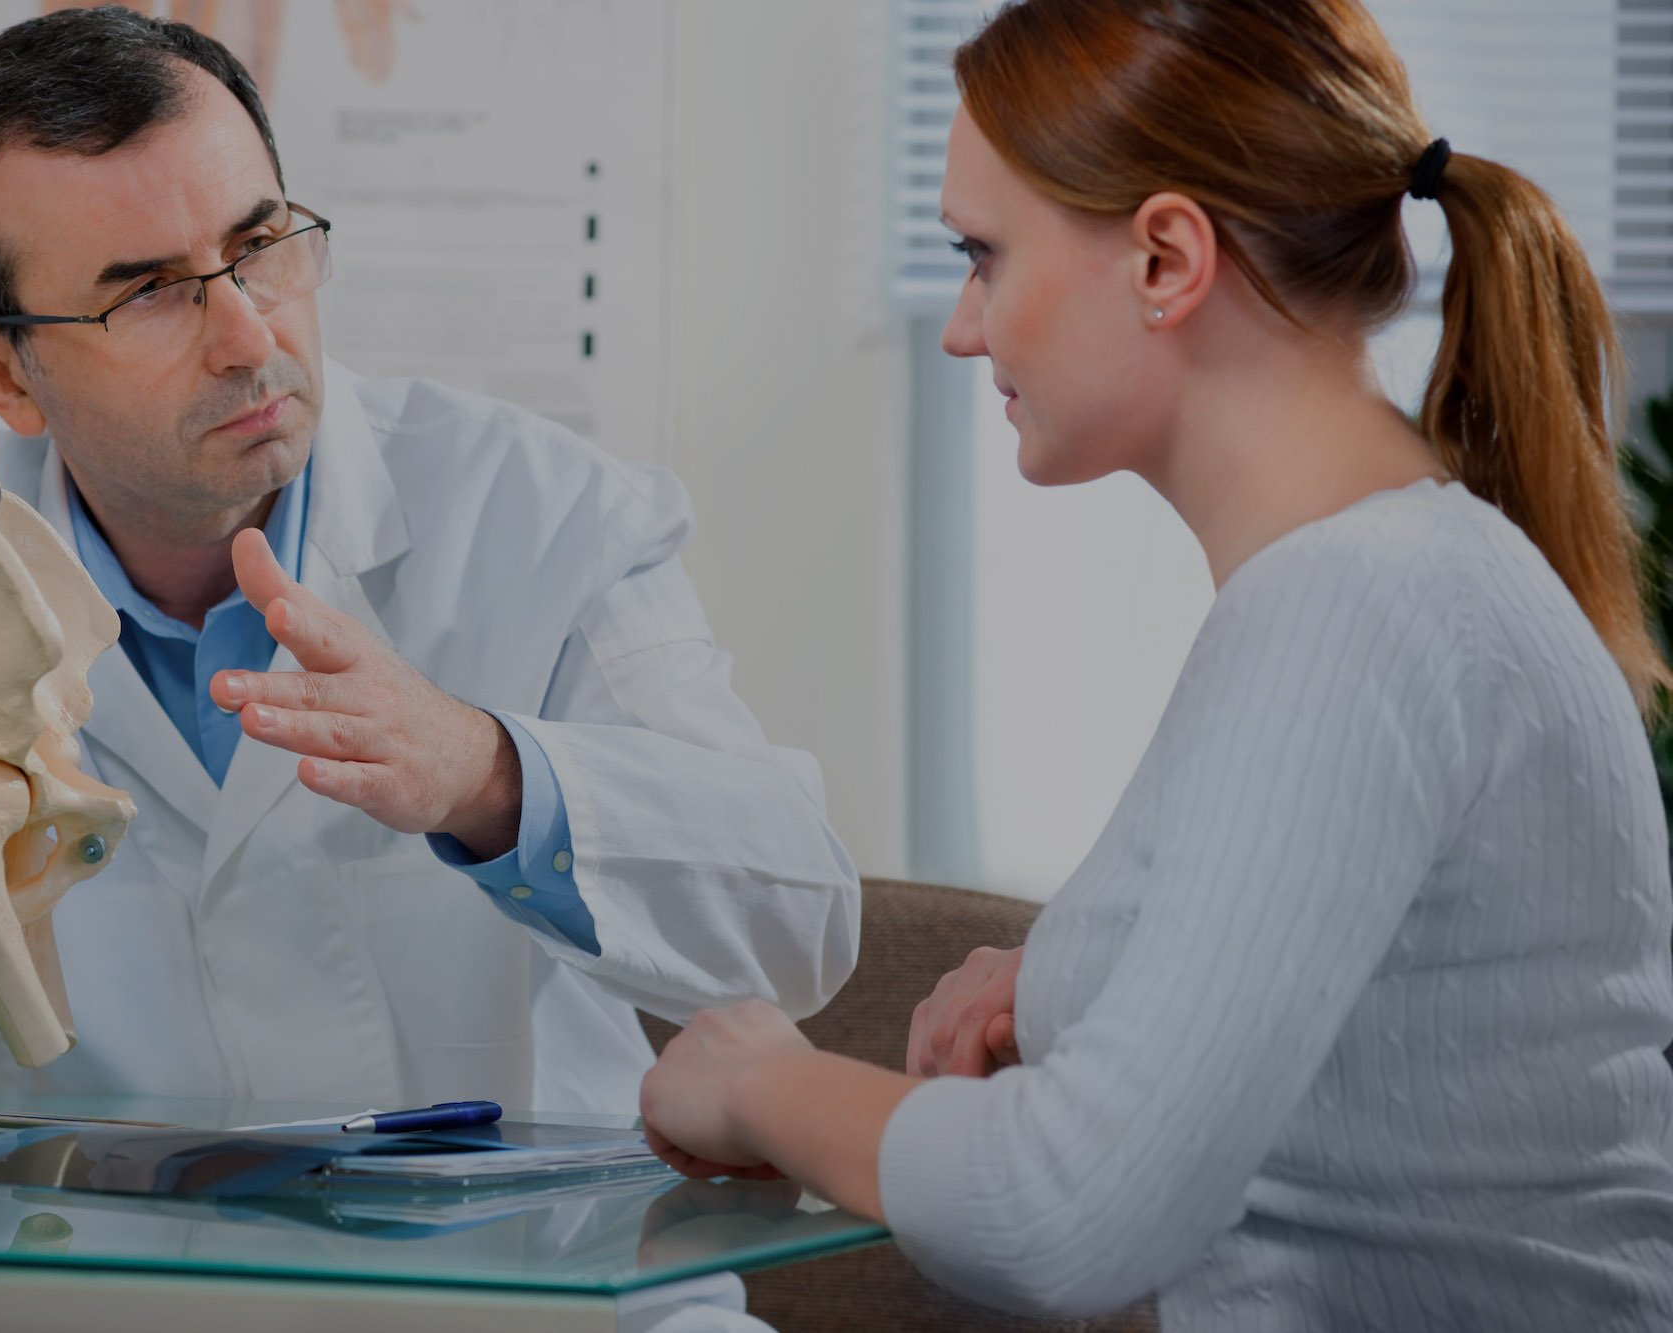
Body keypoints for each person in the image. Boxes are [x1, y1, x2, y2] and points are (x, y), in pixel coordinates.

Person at [639, 0, 1673, 1327]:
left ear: (1167, 260)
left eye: (985, 254)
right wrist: (1086, 977)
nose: (963, 326)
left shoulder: (1358, 608)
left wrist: (758, 1081)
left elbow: (1062, 1217)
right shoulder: (1398, 581)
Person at [0, 7, 858, 1114]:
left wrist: (486, 775)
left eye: (261, 245)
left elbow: (795, 921)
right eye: (146, 295)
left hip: (528, 1289)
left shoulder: (544, 516)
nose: (249, 334)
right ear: (3, 375)